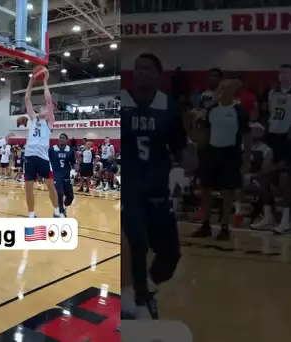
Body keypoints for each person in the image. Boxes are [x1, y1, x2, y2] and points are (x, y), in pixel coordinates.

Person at [122, 52, 187, 320]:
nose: (140, 73)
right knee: (136, 241)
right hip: (130, 188)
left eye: (147, 69)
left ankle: (146, 288)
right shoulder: (122, 101)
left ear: (159, 75)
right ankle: (137, 303)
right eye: (137, 68)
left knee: (171, 255)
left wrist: (184, 173)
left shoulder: (168, 106)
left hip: (159, 189)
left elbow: (181, 148)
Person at [190, 78, 252, 241]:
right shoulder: (212, 110)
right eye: (222, 88)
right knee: (206, 189)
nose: (224, 91)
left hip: (230, 154)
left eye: (228, 88)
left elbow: (247, 137)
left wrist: (246, 161)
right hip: (212, 153)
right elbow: (206, 133)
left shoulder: (239, 111)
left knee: (227, 192)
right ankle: (206, 225)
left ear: (233, 91)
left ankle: (224, 227)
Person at [252, 64, 291, 229]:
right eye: (281, 73)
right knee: (263, 176)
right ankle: (268, 215)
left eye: (286, 72)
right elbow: (272, 115)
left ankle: (286, 218)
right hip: (274, 138)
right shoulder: (272, 93)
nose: (283, 75)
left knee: (285, 178)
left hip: (290, 139)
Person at [23, 75, 63, 218]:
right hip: (29, 155)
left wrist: (45, 81)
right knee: (28, 186)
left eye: (45, 108)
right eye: (40, 108)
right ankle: (31, 213)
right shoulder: (33, 119)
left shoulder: (49, 122)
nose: (42, 109)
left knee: (50, 185)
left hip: (43, 157)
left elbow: (48, 101)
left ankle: (57, 210)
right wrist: (31, 82)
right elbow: (27, 99)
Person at [49, 133, 76, 216]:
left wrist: (75, 172)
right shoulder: (52, 149)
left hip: (67, 174)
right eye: (60, 137)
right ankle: (60, 212)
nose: (61, 139)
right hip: (56, 174)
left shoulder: (70, 150)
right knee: (60, 193)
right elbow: (46, 160)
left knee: (70, 196)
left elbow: (73, 163)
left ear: (66, 140)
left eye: (63, 138)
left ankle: (63, 206)